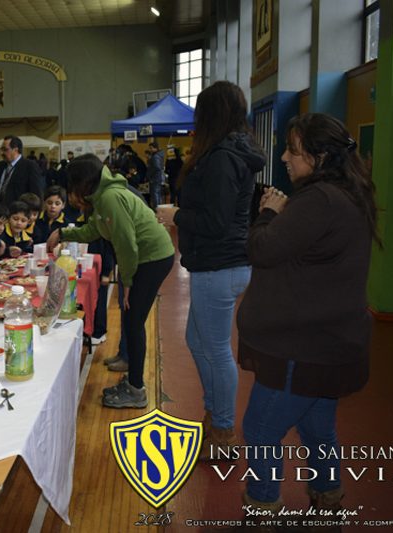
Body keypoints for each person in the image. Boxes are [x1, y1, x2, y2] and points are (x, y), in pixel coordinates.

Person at [232, 113, 380, 524]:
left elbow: (262, 250)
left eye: (293, 151)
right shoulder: (348, 194)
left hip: (302, 345)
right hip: (331, 341)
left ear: (319, 156)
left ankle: (263, 508)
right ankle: (327, 497)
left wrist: (269, 212)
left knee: (261, 431)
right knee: (317, 428)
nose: (283, 158)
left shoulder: (318, 201)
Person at [156, 81, 265, 455]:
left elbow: (215, 221)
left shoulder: (222, 157)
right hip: (221, 264)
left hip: (219, 265)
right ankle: (215, 413)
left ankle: (222, 430)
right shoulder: (231, 151)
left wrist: (177, 214)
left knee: (216, 349)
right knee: (198, 341)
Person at [48, 154, 174, 408]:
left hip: (152, 258)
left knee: (134, 320)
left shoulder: (110, 198)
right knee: (131, 319)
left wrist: (126, 283)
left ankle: (136, 390)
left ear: (82, 183)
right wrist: (63, 232)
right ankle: (132, 374)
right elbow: (95, 230)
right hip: (145, 258)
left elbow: (127, 246)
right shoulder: (103, 196)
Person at [0, 135, 44, 205]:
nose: (2, 153)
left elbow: (36, 194)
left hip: (18, 212)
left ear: (15, 150)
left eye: (5, 149)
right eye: (2, 149)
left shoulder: (29, 166)